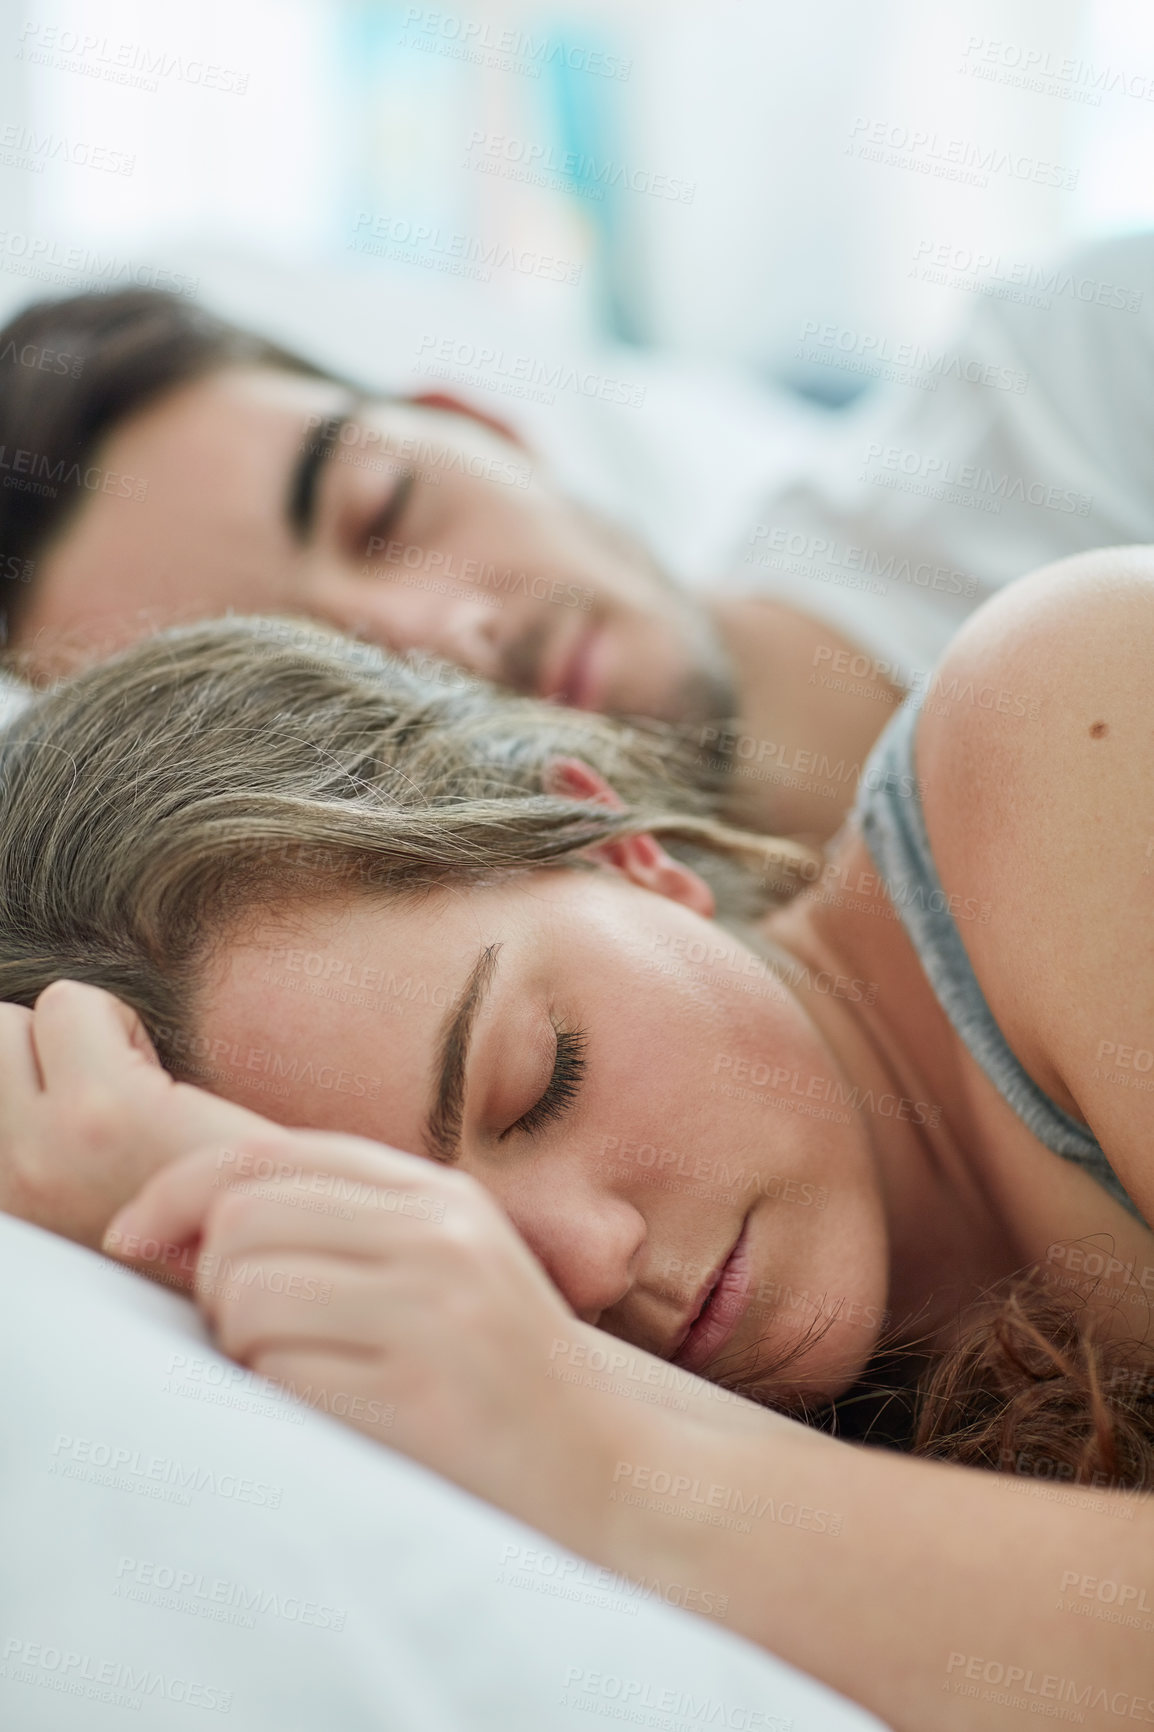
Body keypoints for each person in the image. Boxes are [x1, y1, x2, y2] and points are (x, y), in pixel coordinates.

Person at [0, 542, 1152, 1732]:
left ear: (619, 846)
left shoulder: (1076, 731)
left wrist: (608, 1468)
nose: (591, 1264)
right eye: (468, 1261)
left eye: (542, 1082)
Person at [0, 288, 898, 843]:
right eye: (287, 702)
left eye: (385, 509)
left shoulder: (1033, 420)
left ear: (474, 421)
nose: (441, 639)